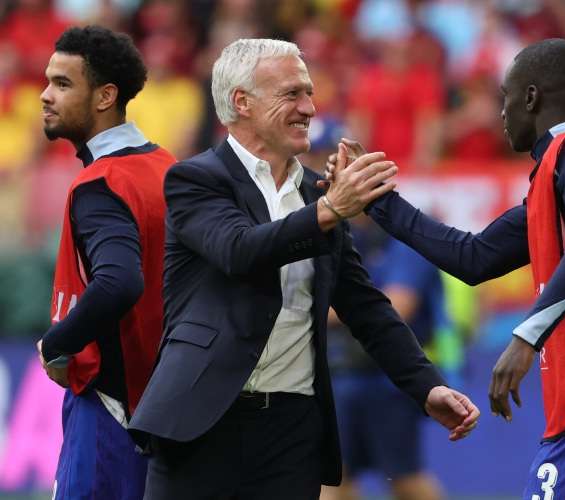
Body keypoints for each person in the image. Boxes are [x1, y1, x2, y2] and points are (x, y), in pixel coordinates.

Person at [328, 38, 565, 499]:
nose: (501, 113)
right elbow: (474, 257)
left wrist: (526, 336)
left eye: (506, 97)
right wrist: (379, 201)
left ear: (532, 97)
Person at [128, 38, 480, 500]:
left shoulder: (318, 197)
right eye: (292, 94)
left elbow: (365, 306)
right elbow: (239, 250)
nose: (309, 107)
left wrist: (426, 386)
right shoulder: (197, 179)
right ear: (242, 102)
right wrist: (331, 209)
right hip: (202, 421)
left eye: (309, 93)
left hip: (292, 431)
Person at [36, 26, 176, 499]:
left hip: (111, 411)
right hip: (165, 413)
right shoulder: (168, 167)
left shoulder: (102, 183)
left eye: (62, 83)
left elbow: (119, 283)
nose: (44, 95)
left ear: (105, 96)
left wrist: (57, 343)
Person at [322, 215, 446, 500]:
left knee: (406, 480)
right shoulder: (335, 232)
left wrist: (322, 309)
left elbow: (399, 304)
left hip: (390, 380)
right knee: (333, 478)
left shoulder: (404, 237)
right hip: (339, 375)